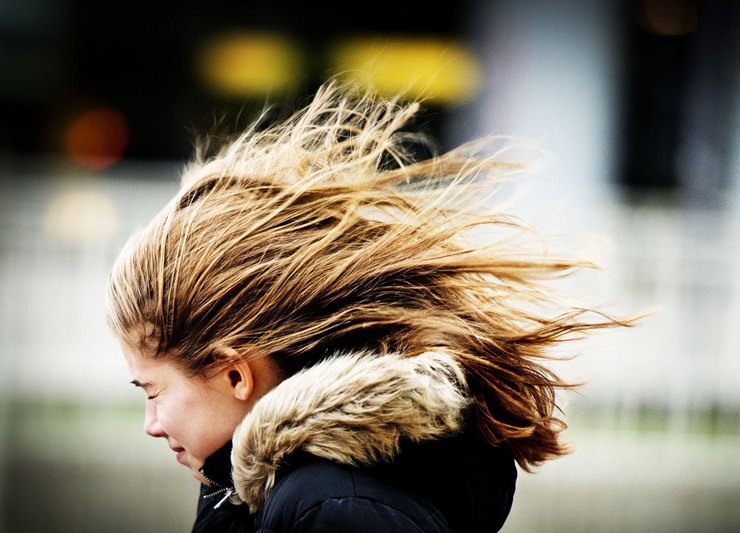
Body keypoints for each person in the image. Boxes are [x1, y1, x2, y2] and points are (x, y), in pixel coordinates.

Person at [105, 82, 628, 532]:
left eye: (153, 391)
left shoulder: (335, 509)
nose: (151, 423)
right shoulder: (263, 486)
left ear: (236, 374)